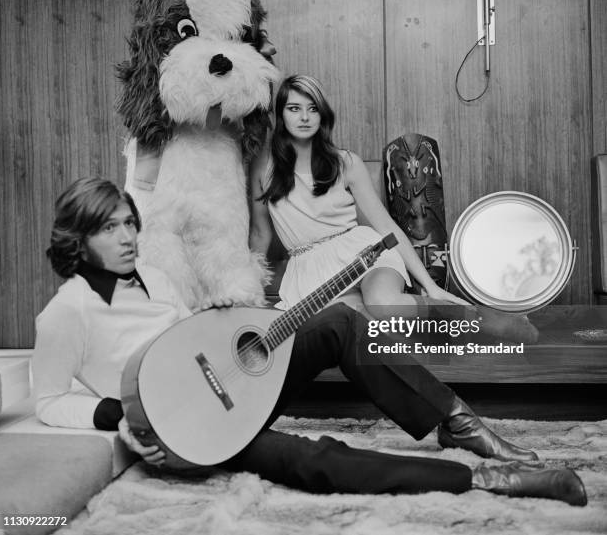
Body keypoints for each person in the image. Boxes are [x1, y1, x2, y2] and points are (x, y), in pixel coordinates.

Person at [32, 177, 586, 506]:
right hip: (185, 434)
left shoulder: (154, 274)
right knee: (311, 457)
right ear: (77, 239)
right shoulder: (67, 310)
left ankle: (460, 424)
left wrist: (221, 315)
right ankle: (489, 480)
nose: (128, 237)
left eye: (130, 223)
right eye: (110, 228)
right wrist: (120, 418)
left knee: (341, 322)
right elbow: (49, 399)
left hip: (232, 387)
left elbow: (185, 339)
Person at [249, 75, 539, 343]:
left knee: (383, 304)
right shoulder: (263, 168)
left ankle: (480, 320)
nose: (303, 117)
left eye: (312, 109)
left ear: (323, 114)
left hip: (364, 253)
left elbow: (384, 225)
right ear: (280, 114)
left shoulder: (345, 162)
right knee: (353, 324)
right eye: (294, 108)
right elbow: (260, 235)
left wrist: (429, 284)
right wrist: (247, 294)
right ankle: (455, 328)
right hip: (311, 271)